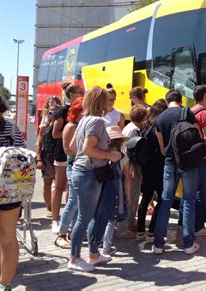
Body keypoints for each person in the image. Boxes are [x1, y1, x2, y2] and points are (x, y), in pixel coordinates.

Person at [67, 86, 121, 272]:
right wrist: (109, 155)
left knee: (89, 216)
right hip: (89, 174)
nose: (110, 104)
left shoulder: (83, 120)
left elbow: (74, 146)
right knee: (84, 217)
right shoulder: (97, 121)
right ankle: (74, 259)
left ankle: (93, 255)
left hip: (83, 172)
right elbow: (87, 149)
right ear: (101, 102)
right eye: (107, 100)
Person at [153, 89, 201, 255]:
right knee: (188, 201)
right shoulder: (186, 112)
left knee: (166, 200)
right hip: (188, 163)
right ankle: (188, 244)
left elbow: (161, 148)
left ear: (167, 102)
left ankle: (158, 244)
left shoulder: (160, 118)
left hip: (169, 163)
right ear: (181, 100)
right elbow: (198, 135)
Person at [0, 94, 26, 290]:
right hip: (9, 190)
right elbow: (23, 156)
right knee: (8, 237)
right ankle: (3, 285)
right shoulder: (12, 128)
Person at [181, 85, 206, 236]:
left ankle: (183, 220)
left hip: (188, 155)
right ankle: (198, 226)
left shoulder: (189, 111)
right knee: (201, 191)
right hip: (200, 156)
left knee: (188, 191)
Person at [51, 82, 84, 234]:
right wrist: (70, 132)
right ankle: (55, 220)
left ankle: (68, 220)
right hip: (62, 154)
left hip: (75, 156)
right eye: (80, 91)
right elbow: (55, 133)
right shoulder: (64, 110)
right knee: (59, 187)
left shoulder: (81, 110)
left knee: (71, 191)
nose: (82, 93)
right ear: (71, 94)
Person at [94, 125, 130, 257]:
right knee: (111, 218)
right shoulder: (123, 156)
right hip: (116, 190)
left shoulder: (102, 154)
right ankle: (107, 246)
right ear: (121, 142)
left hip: (100, 187)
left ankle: (96, 241)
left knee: (98, 215)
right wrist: (128, 196)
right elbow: (127, 179)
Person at [136, 99, 167, 242]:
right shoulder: (158, 126)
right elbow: (162, 149)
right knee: (162, 199)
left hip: (146, 166)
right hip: (158, 165)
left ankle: (140, 230)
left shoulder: (144, 125)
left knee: (146, 198)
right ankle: (152, 230)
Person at [122, 104, 148, 235]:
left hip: (129, 165)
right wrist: (133, 167)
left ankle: (130, 221)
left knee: (132, 194)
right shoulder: (133, 130)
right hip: (132, 166)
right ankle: (130, 223)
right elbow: (128, 150)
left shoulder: (129, 127)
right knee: (132, 194)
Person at [35, 95, 61, 218]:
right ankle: (49, 208)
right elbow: (39, 144)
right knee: (47, 183)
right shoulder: (44, 128)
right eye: (50, 112)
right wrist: (38, 159)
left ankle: (55, 208)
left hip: (59, 158)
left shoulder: (62, 126)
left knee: (59, 185)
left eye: (55, 112)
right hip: (47, 157)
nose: (53, 114)